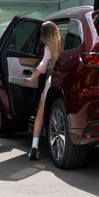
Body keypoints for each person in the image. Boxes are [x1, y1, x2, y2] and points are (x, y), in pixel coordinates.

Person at [24, 21, 64, 160]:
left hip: (52, 81)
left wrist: (30, 79)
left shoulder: (48, 48)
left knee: (40, 113)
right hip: (65, 80)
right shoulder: (65, 41)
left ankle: (34, 146)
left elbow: (42, 67)